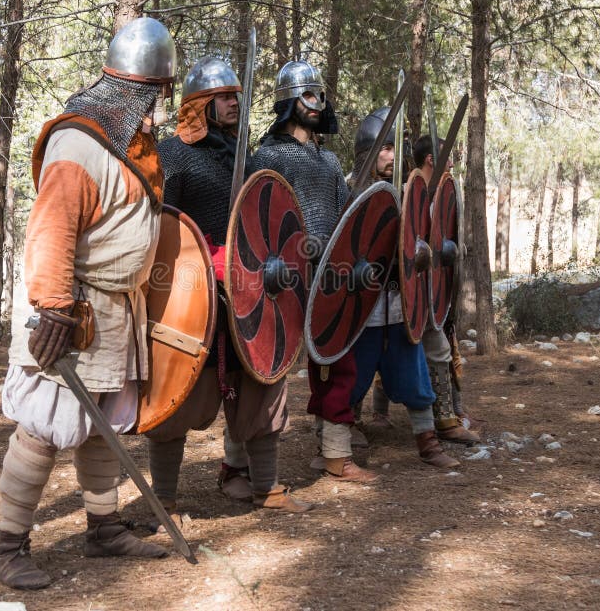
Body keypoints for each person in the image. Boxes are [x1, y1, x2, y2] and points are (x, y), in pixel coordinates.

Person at [0, 17, 177, 590]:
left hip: (118, 309)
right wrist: (52, 307)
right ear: (140, 90)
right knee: (43, 426)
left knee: (103, 428)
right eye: (160, 93)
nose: (163, 106)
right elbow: (51, 229)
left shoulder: (132, 144)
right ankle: (9, 546)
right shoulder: (79, 143)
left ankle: (103, 529)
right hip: (75, 308)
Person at [146, 56, 312, 516]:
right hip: (190, 296)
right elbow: (161, 230)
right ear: (199, 105)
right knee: (175, 392)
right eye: (223, 97)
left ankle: (266, 487)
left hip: (251, 292)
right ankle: (164, 499)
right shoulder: (173, 156)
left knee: (262, 381)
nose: (233, 103)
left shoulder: (249, 159)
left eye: (236, 96)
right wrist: (197, 269)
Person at [253, 60, 379, 483]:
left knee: (335, 361)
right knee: (265, 371)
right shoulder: (269, 156)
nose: (316, 103)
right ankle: (240, 464)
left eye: (319, 95)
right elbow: (256, 215)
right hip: (283, 276)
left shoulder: (328, 161)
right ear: (289, 101)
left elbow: (344, 216)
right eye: (307, 95)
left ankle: (334, 454)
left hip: (329, 275)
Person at [348, 109, 467, 468]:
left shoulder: (408, 192)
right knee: (353, 374)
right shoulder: (347, 187)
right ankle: (347, 424)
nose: (390, 156)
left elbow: (420, 239)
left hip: (400, 301)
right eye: (383, 148)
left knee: (414, 374)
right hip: (360, 302)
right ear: (367, 151)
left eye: (394, 148)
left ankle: (428, 442)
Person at [412, 135, 482, 441]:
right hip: (409, 294)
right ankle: (440, 419)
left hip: (431, 295)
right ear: (432, 160)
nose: (451, 163)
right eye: (447, 158)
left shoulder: (436, 200)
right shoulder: (410, 198)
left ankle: (446, 417)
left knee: (440, 348)